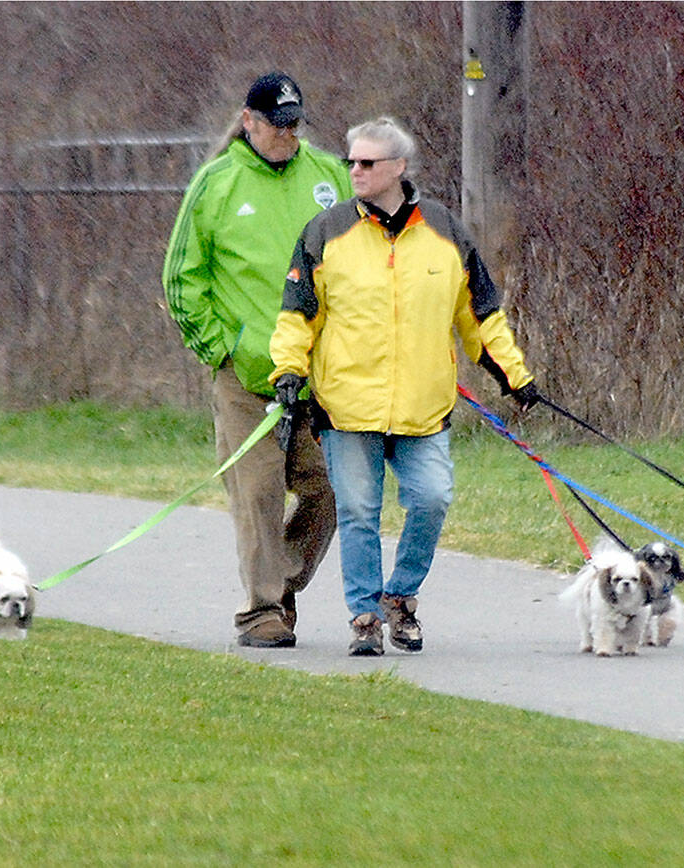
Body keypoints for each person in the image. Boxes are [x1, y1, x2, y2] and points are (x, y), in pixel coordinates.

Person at [268, 117, 539, 656]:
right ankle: (364, 617)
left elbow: (479, 316)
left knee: (432, 498)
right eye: (351, 161)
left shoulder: (445, 231)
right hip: (347, 406)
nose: (356, 171)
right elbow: (297, 316)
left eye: (367, 163)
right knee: (359, 512)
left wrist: (515, 375)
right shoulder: (325, 231)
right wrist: (289, 371)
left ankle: (401, 598)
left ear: (398, 168)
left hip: (423, 405)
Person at [162, 71, 352, 648]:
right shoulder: (216, 183)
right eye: (276, 125)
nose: (287, 136)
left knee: (333, 486)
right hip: (247, 378)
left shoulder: (328, 175)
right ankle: (261, 610)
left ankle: (282, 579)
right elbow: (182, 279)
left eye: (296, 125)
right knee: (259, 492)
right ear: (249, 122)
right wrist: (221, 349)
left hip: (317, 377)